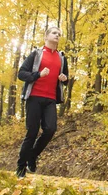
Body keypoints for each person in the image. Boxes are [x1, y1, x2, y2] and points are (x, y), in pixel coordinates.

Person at [15, 26, 68, 178]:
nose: (57, 35)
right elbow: (21, 74)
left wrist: (64, 79)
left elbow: (66, 79)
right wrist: (38, 74)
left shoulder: (62, 57)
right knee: (31, 132)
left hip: (51, 99)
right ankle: (20, 167)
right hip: (34, 98)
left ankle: (32, 156)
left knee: (50, 129)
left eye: (59, 33)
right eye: (54, 33)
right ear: (46, 37)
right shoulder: (37, 53)